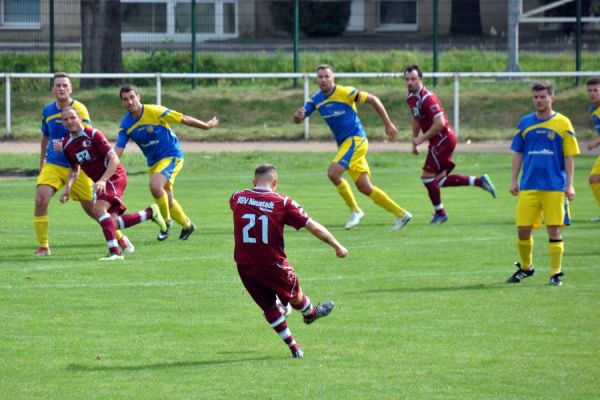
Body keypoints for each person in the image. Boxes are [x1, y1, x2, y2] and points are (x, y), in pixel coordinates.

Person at [230, 164, 347, 358]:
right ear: (275, 183)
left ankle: (294, 347)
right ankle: (311, 314)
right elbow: (313, 226)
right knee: (295, 296)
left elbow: (240, 207)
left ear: (253, 182)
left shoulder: (237, 197)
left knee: (268, 307)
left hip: (245, 265)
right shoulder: (283, 203)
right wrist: (337, 245)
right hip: (274, 265)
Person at [293, 64, 412, 230]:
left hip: (356, 140)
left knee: (333, 173)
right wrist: (298, 117)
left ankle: (356, 211)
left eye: (327, 76)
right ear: (316, 79)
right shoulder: (316, 100)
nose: (323, 80)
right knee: (364, 187)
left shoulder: (346, 92)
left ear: (333, 77)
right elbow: (300, 117)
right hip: (345, 145)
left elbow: (373, 100)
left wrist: (387, 124)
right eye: (320, 77)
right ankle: (401, 214)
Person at [34, 72, 133, 256]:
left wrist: (63, 145)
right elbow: (45, 135)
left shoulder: (79, 108)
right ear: (53, 89)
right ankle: (43, 245)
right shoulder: (47, 110)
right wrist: (42, 160)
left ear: (71, 88)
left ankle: (120, 238)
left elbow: (84, 134)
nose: (61, 88)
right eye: (58, 85)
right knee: (41, 198)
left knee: (95, 211)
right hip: (54, 165)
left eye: (65, 85)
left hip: (79, 167)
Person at [59, 107, 167, 261]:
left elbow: (114, 159)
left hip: (114, 175)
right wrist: (67, 188)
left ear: (80, 118)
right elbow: (74, 168)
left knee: (98, 209)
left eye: (72, 118)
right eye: (65, 119)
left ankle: (115, 253)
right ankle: (150, 213)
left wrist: (103, 180)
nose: (69, 121)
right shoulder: (67, 144)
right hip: (102, 181)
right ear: (62, 123)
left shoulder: (93, 134)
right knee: (112, 222)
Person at [115, 84, 219, 241]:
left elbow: (182, 118)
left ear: (139, 97)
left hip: (172, 155)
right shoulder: (125, 124)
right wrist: (109, 162)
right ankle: (187, 225)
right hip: (154, 162)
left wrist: (205, 126)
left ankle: (166, 222)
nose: (130, 102)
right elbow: (119, 148)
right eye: (125, 99)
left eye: (132, 97)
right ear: (122, 102)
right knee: (167, 200)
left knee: (155, 187)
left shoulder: (154, 111)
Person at [507, 81, 580, 287]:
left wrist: (570, 185)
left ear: (551, 98)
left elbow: (569, 155)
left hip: (554, 187)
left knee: (554, 230)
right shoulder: (525, 122)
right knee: (522, 229)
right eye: (535, 97)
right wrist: (514, 180)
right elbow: (518, 152)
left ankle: (555, 273)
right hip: (529, 185)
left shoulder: (563, 123)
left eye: (542, 97)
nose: (538, 101)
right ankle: (526, 267)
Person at [404, 64, 497, 224]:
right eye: (407, 79)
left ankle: (440, 213)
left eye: (413, 79)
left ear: (421, 79)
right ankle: (479, 181)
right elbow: (416, 118)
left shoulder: (428, 98)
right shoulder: (410, 98)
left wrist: (421, 138)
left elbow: (439, 123)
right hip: (438, 140)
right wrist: (414, 140)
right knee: (437, 181)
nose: (410, 82)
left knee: (427, 178)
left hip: (443, 139)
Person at [585, 77, 600, 222]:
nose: (592, 93)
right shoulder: (593, 109)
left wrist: (595, 143)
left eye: (596, 90)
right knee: (594, 179)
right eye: (590, 90)